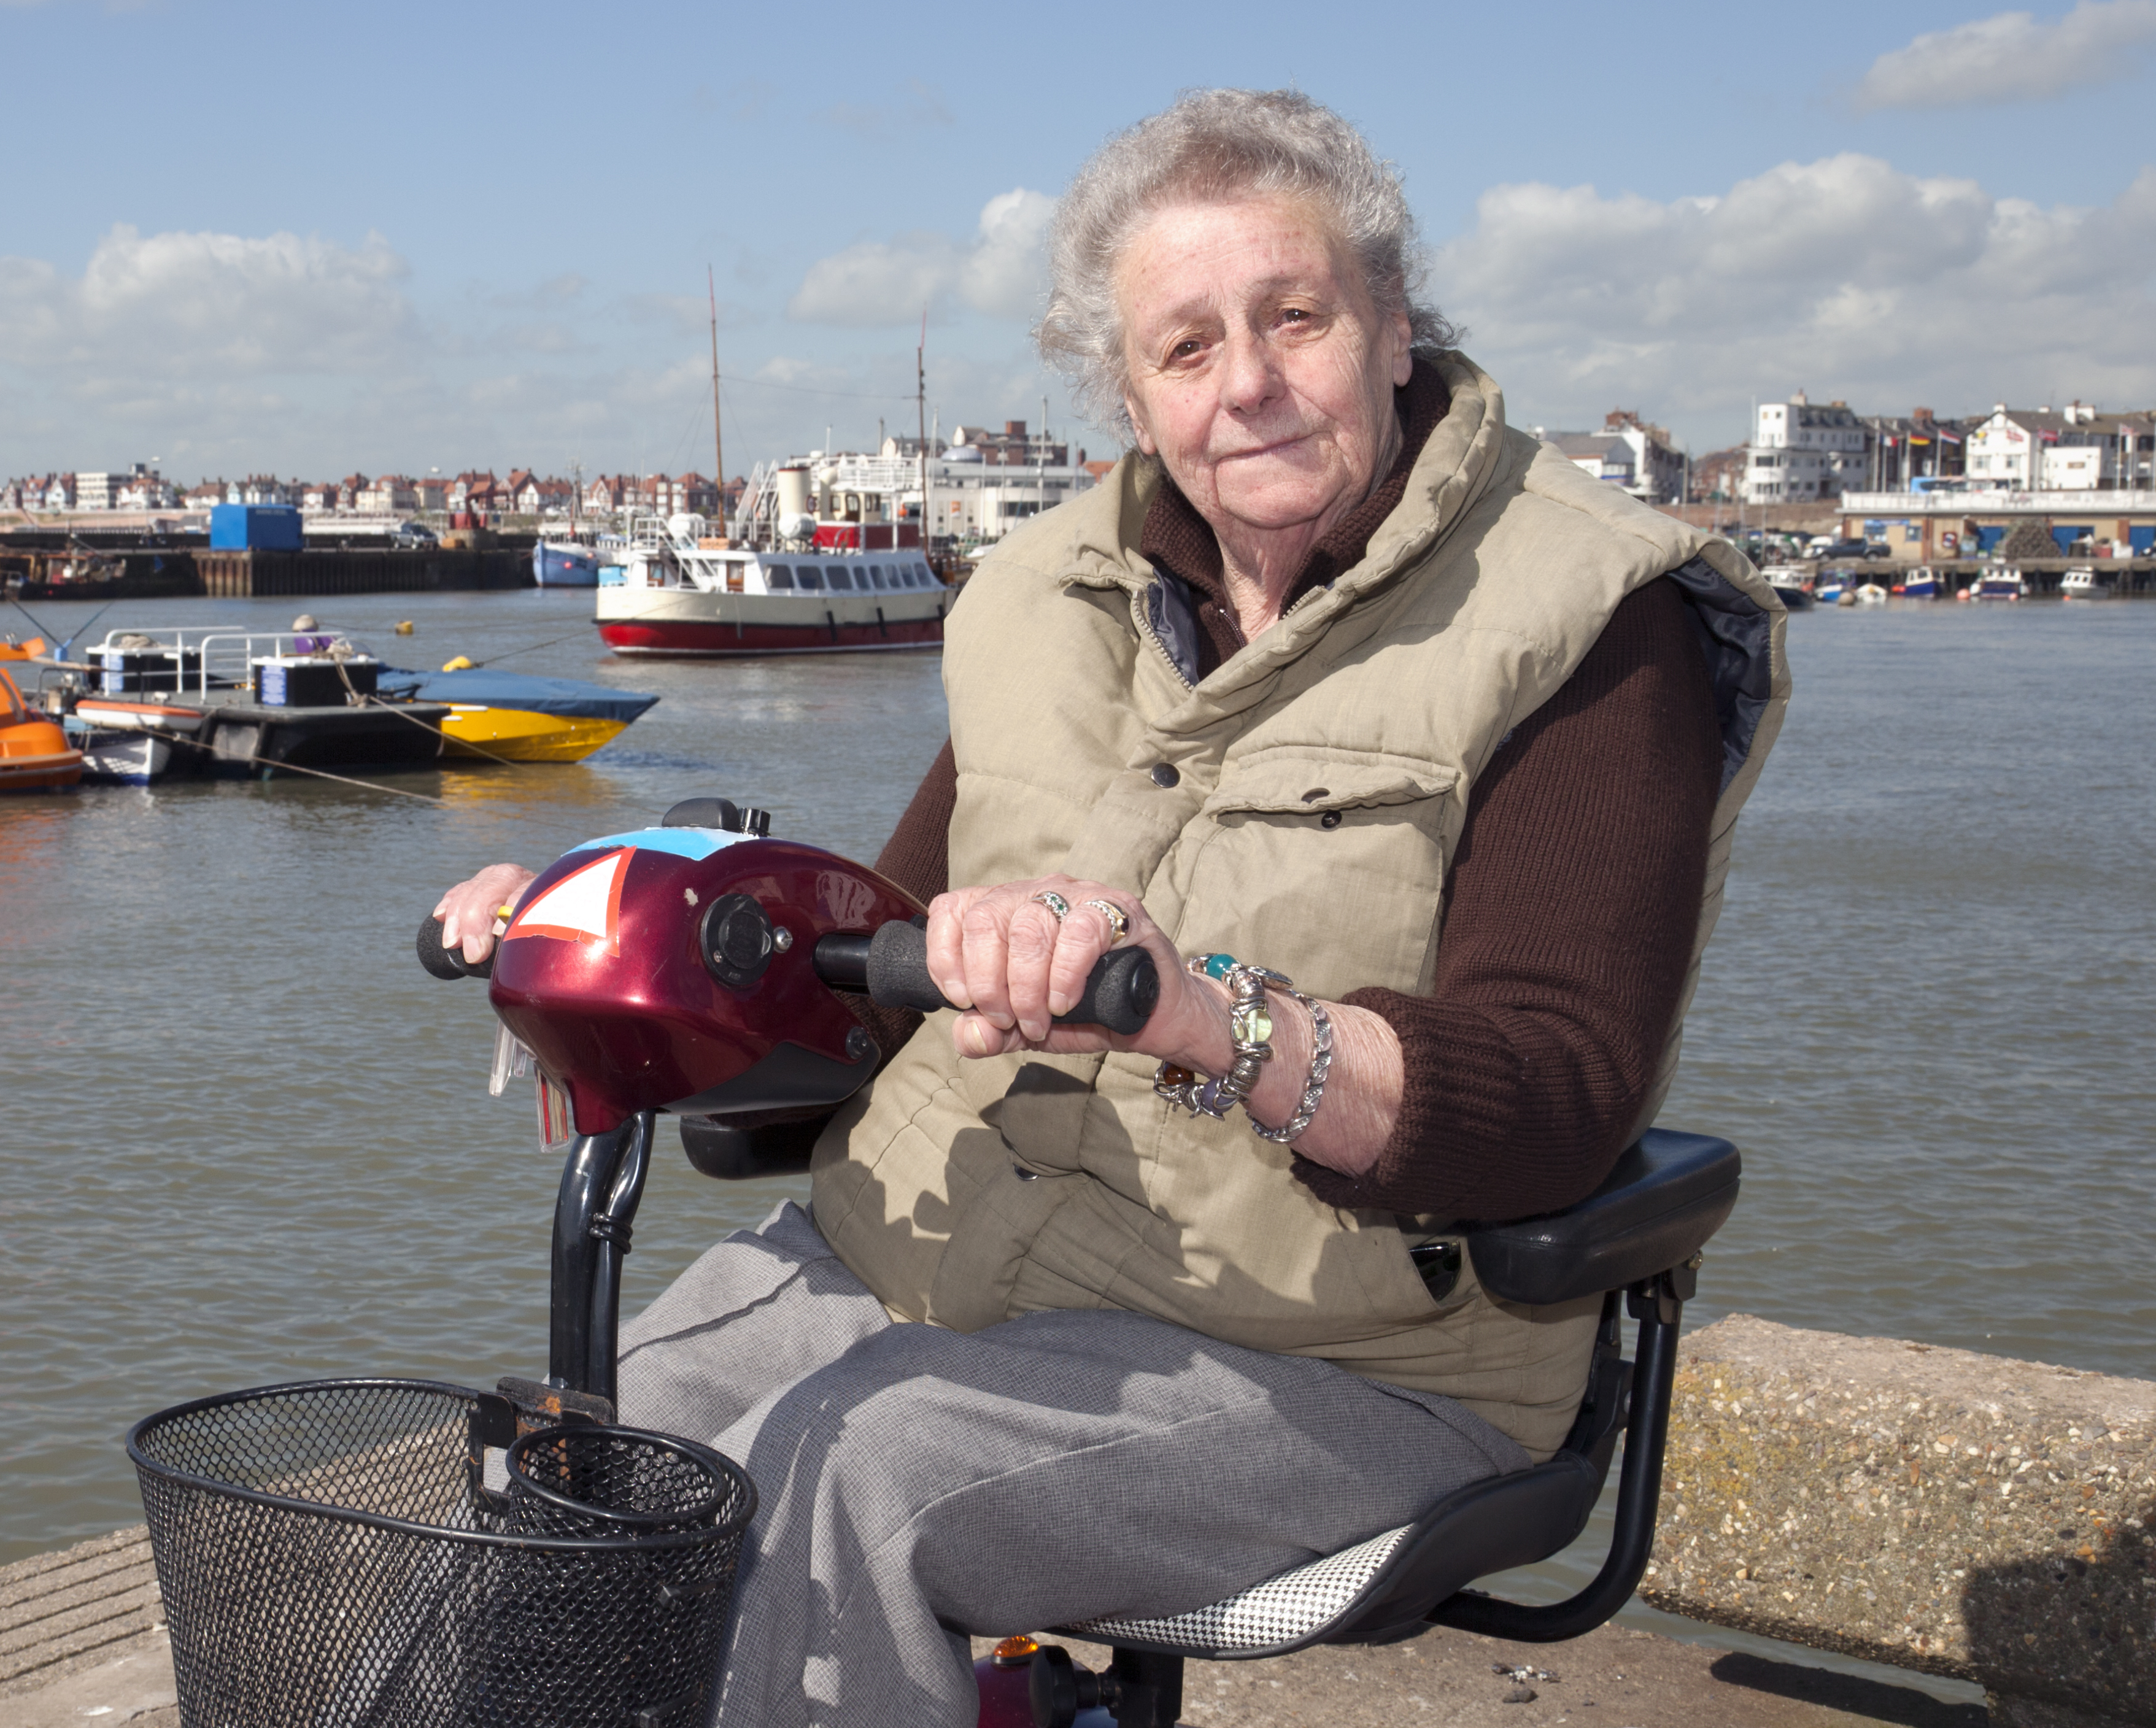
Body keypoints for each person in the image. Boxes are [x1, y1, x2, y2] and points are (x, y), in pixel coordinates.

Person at [435, 88, 1787, 1728]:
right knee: (575, 1464)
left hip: (1344, 1355)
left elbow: (1556, 1097)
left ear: (1396, 326)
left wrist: (1204, 1016)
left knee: (857, 1472)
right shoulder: (1027, 595)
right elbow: (878, 951)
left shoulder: (1588, 614)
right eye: (1188, 346)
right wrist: (606, 931)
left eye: (1296, 318)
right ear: (1128, 389)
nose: (1251, 387)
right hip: (925, 1260)